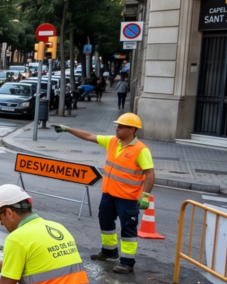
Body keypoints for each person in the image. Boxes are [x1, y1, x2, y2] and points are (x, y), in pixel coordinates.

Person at [53, 114, 153, 274]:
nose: (117, 128)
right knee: (105, 223)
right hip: (109, 194)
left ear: (132, 129)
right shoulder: (113, 141)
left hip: (127, 198)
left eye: (121, 126)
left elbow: (149, 173)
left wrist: (145, 195)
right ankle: (109, 251)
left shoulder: (141, 150)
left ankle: (127, 262)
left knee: (128, 229)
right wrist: (68, 129)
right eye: (117, 125)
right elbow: (89, 136)